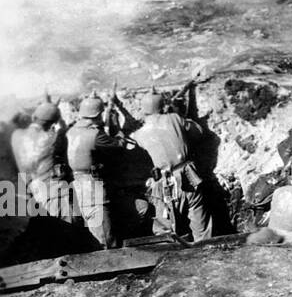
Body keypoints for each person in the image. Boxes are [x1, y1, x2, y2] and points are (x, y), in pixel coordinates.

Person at [130, 92, 213, 241]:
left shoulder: (139, 134)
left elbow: (130, 149)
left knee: (165, 230)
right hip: (188, 177)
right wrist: (178, 114)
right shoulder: (174, 119)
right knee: (200, 225)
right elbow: (199, 132)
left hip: (163, 184)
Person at [65, 97, 119, 247]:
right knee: (105, 236)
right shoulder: (95, 134)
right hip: (92, 185)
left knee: (93, 229)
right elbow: (118, 146)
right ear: (97, 115)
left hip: (77, 184)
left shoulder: (71, 132)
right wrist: (115, 127)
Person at [9, 102, 71, 218]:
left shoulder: (16, 135)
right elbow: (64, 134)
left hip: (30, 192)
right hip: (51, 193)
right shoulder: (53, 137)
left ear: (34, 117)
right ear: (54, 122)